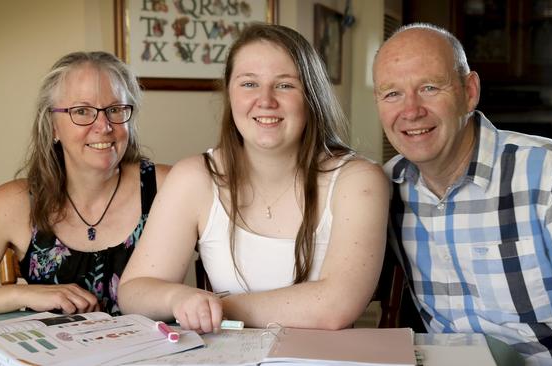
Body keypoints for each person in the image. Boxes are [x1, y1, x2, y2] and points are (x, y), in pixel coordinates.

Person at [118, 23, 389, 333]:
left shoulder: (359, 180)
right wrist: (178, 297)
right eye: (249, 84)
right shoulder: (195, 177)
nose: (266, 100)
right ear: (229, 94)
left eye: (285, 85)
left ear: (311, 96)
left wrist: (214, 307)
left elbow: (335, 309)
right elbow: (133, 292)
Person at [374, 23, 552, 366]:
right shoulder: (384, 189)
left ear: (469, 92)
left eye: (429, 88)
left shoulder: (551, 174)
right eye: (392, 94)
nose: (411, 110)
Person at [0, 51, 170, 320]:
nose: (104, 125)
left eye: (115, 109)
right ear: (53, 127)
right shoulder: (15, 203)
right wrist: (23, 295)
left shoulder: (169, 187)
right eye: (82, 111)